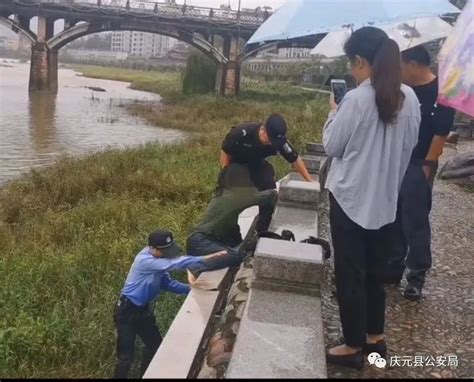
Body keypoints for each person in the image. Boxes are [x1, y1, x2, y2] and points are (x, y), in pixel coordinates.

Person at [323, 27, 421, 369]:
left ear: (361, 61)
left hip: (349, 199)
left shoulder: (355, 100)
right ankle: (375, 339)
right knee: (376, 274)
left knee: (350, 273)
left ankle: (351, 346)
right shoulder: (410, 98)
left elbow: (332, 147)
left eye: (353, 63)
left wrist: (334, 110)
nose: (352, 71)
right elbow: (409, 149)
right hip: (386, 200)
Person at [384, 45, 456, 300]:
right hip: (398, 161)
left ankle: (416, 276)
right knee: (393, 217)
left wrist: (427, 167)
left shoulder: (442, 93)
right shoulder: (404, 91)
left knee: (414, 221)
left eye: (401, 66)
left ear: (413, 64)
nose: (399, 71)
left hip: (420, 163)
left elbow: (440, 134)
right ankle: (393, 267)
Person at [113, 230, 224, 379]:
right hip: (126, 311)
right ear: (152, 248)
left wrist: (190, 289)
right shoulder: (144, 261)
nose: (167, 254)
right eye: (163, 251)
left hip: (143, 310)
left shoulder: (157, 264)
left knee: (155, 348)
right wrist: (204, 259)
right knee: (126, 357)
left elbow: (167, 283)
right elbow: (175, 263)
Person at [220, 113, 313, 233]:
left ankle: (262, 230)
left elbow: (294, 158)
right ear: (263, 130)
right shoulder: (241, 133)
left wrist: (309, 180)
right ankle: (230, 232)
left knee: (269, 189)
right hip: (237, 165)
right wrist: (225, 174)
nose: (271, 144)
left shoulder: (279, 140)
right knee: (231, 196)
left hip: (256, 164)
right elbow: (225, 152)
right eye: (269, 140)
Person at [186, 163, 278, 281]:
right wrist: (268, 183)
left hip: (206, 239)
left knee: (238, 240)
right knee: (237, 255)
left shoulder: (225, 191)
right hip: (202, 242)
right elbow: (269, 196)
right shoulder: (236, 195)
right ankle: (195, 267)